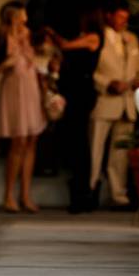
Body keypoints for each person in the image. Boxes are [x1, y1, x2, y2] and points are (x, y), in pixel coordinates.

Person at [0, 2, 46, 214]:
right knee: (18, 142)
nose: (24, 22)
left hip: (32, 92)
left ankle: (25, 195)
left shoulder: (30, 40)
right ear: (11, 18)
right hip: (14, 94)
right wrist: (3, 65)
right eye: (20, 18)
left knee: (31, 140)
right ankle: (8, 195)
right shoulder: (0, 42)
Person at [89, 0, 139, 207]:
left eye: (126, 18)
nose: (124, 22)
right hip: (105, 102)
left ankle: (118, 194)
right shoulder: (98, 38)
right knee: (95, 149)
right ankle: (90, 190)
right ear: (109, 16)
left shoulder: (132, 39)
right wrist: (107, 84)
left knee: (120, 153)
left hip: (127, 104)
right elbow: (90, 72)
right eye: (120, 17)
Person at [49, 11, 103, 214]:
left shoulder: (93, 37)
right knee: (74, 141)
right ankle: (78, 191)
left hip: (82, 93)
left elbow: (64, 45)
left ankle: (84, 194)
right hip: (73, 92)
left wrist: (52, 34)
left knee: (80, 142)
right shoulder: (82, 38)